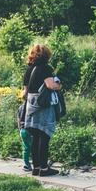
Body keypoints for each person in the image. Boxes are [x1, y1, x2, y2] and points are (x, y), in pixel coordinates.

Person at [23, 44, 61, 176]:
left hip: (30, 104)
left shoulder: (29, 69)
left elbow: (24, 93)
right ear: (47, 55)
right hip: (43, 105)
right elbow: (50, 85)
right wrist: (59, 85)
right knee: (44, 135)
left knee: (35, 136)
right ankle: (44, 169)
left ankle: (36, 168)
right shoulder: (45, 68)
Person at [16, 101, 32, 172]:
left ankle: (26, 165)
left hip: (23, 129)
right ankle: (38, 164)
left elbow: (18, 120)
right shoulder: (32, 106)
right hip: (31, 129)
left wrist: (20, 130)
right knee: (35, 147)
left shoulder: (20, 107)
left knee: (26, 148)